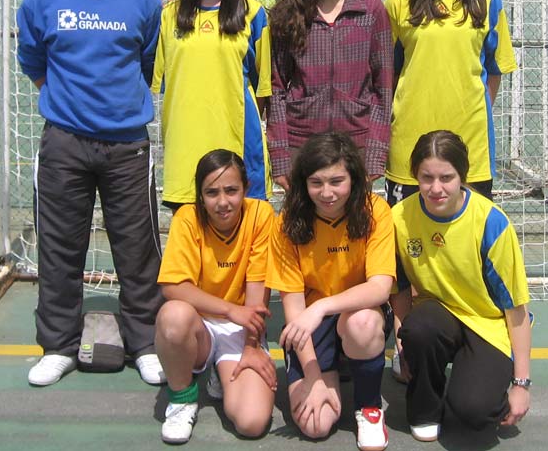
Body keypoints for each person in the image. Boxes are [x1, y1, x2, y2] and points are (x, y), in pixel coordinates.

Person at [16, 0, 166, 387]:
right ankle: (58, 344)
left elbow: (147, 64)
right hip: (64, 143)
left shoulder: (144, 0)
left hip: (126, 145)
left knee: (138, 250)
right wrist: (70, 106)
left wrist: (111, 108)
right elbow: (34, 61)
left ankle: (145, 342)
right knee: (59, 248)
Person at [391, 130, 531, 442]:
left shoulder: (491, 223)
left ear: (462, 176)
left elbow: (516, 308)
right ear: (415, 175)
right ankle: (424, 408)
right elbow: (398, 289)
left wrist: (521, 383)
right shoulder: (399, 218)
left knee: (472, 414)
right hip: (435, 318)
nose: (436, 188)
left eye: (446, 177)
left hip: (487, 323)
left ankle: (476, 384)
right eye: (426, 177)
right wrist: (401, 345)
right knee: (418, 330)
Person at [266, 132, 396, 451]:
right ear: (303, 183)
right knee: (316, 425)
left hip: (357, 312)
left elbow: (380, 288)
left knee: (362, 324)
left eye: (337, 181)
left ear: (354, 179)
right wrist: (312, 377)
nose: (327, 193)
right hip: (312, 327)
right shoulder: (287, 223)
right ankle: (331, 369)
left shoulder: (375, 211)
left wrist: (322, 307)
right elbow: (296, 311)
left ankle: (368, 406)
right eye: (316, 182)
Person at [384, 0, 517, 207]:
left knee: (468, 246)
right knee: (406, 248)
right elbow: (385, 74)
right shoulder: (399, 0)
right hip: (409, 145)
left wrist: (469, 106)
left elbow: (494, 70)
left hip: (470, 145)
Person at [155, 149, 276, 444]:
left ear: (246, 189)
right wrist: (229, 310)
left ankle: (218, 376)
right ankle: (183, 399)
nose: (222, 202)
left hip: (243, 328)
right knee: (173, 316)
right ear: (200, 195)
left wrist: (251, 347)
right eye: (211, 192)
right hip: (200, 327)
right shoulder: (187, 218)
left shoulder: (261, 215)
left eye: (231, 190)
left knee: (252, 423)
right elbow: (173, 286)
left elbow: (258, 291)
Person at [152, 0, 273, 210]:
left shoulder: (253, 15)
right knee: (192, 253)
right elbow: (162, 85)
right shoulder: (169, 16)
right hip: (185, 158)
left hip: (236, 157)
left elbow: (264, 93)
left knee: (242, 253)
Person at [267, 0, 393, 191]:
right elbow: (275, 89)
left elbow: (383, 90)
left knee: (355, 232)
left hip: (354, 146)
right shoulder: (290, 13)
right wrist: (280, 158)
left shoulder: (370, 11)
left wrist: (374, 156)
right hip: (303, 145)